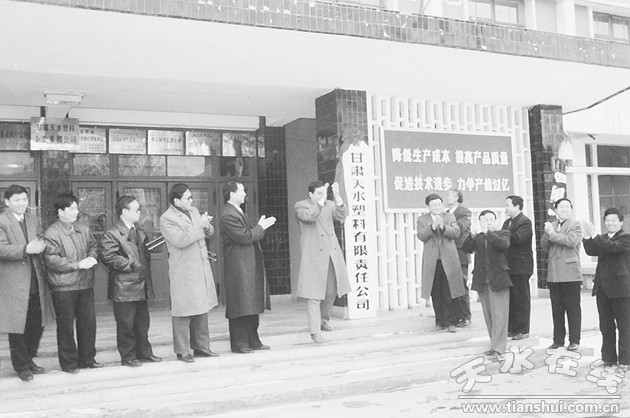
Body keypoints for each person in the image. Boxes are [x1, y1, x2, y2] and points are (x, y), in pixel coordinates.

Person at [0, 185, 55, 382]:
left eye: (24, 199)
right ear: (7, 202)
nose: (22, 203)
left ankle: (29, 358)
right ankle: (21, 365)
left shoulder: (33, 219)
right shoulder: (2, 221)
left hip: (35, 280)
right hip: (14, 282)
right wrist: (25, 249)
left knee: (36, 324)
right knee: (18, 326)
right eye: (17, 200)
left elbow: (41, 240)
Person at [99, 195, 162, 367]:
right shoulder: (112, 233)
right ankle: (128, 356)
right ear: (124, 212)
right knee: (126, 325)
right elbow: (108, 257)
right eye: (136, 209)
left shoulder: (138, 231)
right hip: (124, 286)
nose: (139, 212)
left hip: (141, 284)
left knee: (142, 323)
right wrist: (132, 264)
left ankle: (144, 353)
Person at [159, 183, 219, 363]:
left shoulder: (193, 211)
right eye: (188, 198)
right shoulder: (167, 218)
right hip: (184, 270)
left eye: (191, 197)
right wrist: (200, 226)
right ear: (176, 201)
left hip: (200, 266)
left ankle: (201, 347)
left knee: (202, 308)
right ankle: (183, 350)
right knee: (183, 311)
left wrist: (206, 226)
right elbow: (180, 240)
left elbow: (209, 232)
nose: (191, 201)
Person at [44, 193, 101, 373]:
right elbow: (52, 260)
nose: (76, 212)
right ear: (60, 212)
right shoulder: (52, 233)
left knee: (88, 324)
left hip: (85, 284)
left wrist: (92, 257)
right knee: (66, 327)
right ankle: (69, 363)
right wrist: (77, 265)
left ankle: (87, 359)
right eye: (72, 209)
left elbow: (93, 246)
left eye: (76, 208)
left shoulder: (83, 229)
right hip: (64, 286)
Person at [220, 181, 275, 353]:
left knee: (250, 302)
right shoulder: (227, 214)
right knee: (240, 304)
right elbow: (244, 237)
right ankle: (240, 344)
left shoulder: (237, 211)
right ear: (232, 194)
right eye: (242, 191)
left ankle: (253, 341)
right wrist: (261, 227)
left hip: (246, 264)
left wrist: (258, 227)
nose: (245, 194)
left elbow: (248, 233)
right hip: (238, 266)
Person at [295, 181, 351, 344]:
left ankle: (323, 320)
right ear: (310, 194)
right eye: (319, 193)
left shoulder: (330, 204)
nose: (322, 196)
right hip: (313, 255)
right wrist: (320, 202)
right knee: (313, 295)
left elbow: (341, 215)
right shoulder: (301, 205)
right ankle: (315, 332)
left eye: (323, 192)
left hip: (331, 254)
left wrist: (338, 198)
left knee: (331, 291)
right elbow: (308, 217)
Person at [582, 208, 630, 371]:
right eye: (607, 220)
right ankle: (608, 359)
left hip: (621, 289)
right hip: (603, 288)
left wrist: (594, 235)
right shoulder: (602, 238)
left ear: (621, 222)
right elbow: (591, 250)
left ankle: (625, 361)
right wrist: (587, 236)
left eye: (614, 220)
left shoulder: (626, 237)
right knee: (606, 326)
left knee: (624, 326)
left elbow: (612, 248)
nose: (610, 223)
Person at [463, 210, 512, 359]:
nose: (488, 222)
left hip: (499, 279)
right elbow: (466, 248)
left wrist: (488, 232)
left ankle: (499, 348)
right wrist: (472, 234)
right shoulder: (478, 236)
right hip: (482, 279)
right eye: (485, 220)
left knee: (499, 315)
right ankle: (494, 345)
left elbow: (503, 245)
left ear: (496, 221)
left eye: (491, 219)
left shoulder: (503, 233)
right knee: (489, 315)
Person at [416, 193, 465, 333]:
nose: (437, 207)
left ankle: (451, 322)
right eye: (434, 205)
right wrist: (432, 227)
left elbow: (456, 232)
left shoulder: (449, 217)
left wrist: (442, 227)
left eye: (439, 204)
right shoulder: (422, 219)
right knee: (435, 291)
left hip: (448, 258)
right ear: (428, 206)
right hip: (432, 260)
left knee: (450, 290)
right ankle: (440, 321)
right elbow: (421, 235)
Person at [541, 198, 583, 351]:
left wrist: (552, 234)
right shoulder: (551, 225)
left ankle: (574, 340)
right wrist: (547, 234)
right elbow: (544, 246)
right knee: (557, 310)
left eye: (567, 207)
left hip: (570, 274)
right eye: (561, 207)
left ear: (571, 210)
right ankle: (558, 340)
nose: (564, 210)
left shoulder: (576, 225)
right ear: (556, 210)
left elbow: (570, 241)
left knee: (573, 309)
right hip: (554, 274)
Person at [502, 195, 533, 340]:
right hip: (509, 265)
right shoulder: (507, 222)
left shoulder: (524, 221)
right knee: (512, 298)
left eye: (508, 205)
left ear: (517, 207)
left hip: (521, 266)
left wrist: (501, 233)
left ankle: (522, 330)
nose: (506, 208)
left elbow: (518, 239)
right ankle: (512, 329)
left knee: (521, 298)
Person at [445, 189, 472, 327]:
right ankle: (454, 316)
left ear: (456, 197)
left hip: (460, 251)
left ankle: (465, 316)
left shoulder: (464, 212)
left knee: (461, 284)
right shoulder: (445, 213)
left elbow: (459, 228)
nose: (446, 198)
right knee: (449, 285)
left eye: (449, 195)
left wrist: (443, 227)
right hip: (448, 252)